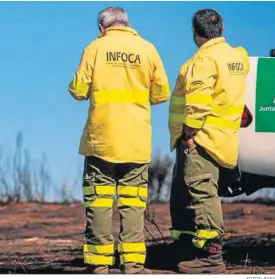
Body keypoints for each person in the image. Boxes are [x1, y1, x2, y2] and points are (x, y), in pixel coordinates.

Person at [68, 7, 170, 274]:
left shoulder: (95, 48)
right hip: (136, 140)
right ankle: (133, 265)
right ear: (127, 23)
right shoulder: (148, 49)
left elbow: (78, 91)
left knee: (100, 204)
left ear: (102, 28)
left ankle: (100, 265)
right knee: (133, 204)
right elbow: (161, 94)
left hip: (101, 139)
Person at [167, 9, 248, 274]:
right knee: (186, 194)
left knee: (200, 193)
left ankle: (211, 256)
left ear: (194, 32)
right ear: (221, 30)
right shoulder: (236, 57)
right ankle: (189, 247)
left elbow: (199, 105)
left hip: (202, 139)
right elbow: (244, 62)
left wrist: (189, 135)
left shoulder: (201, 61)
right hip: (223, 139)